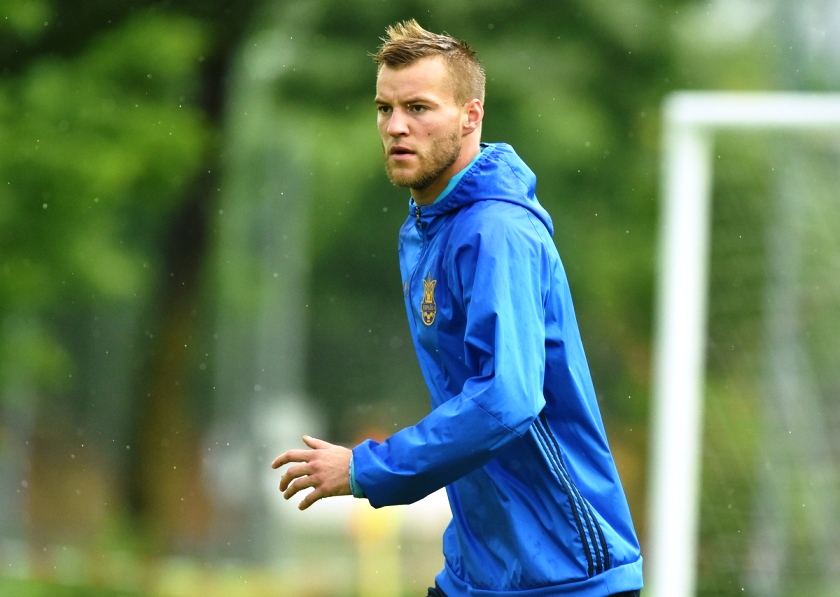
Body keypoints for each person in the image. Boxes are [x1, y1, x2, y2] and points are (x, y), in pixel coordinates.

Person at [271, 19, 644, 597]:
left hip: (564, 573)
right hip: (481, 570)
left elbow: (507, 398)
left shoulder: (497, 232)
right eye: (385, 109)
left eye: (418, 108)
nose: (395, 126)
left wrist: (367, 468)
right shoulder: (427, 229)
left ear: (471, 116)